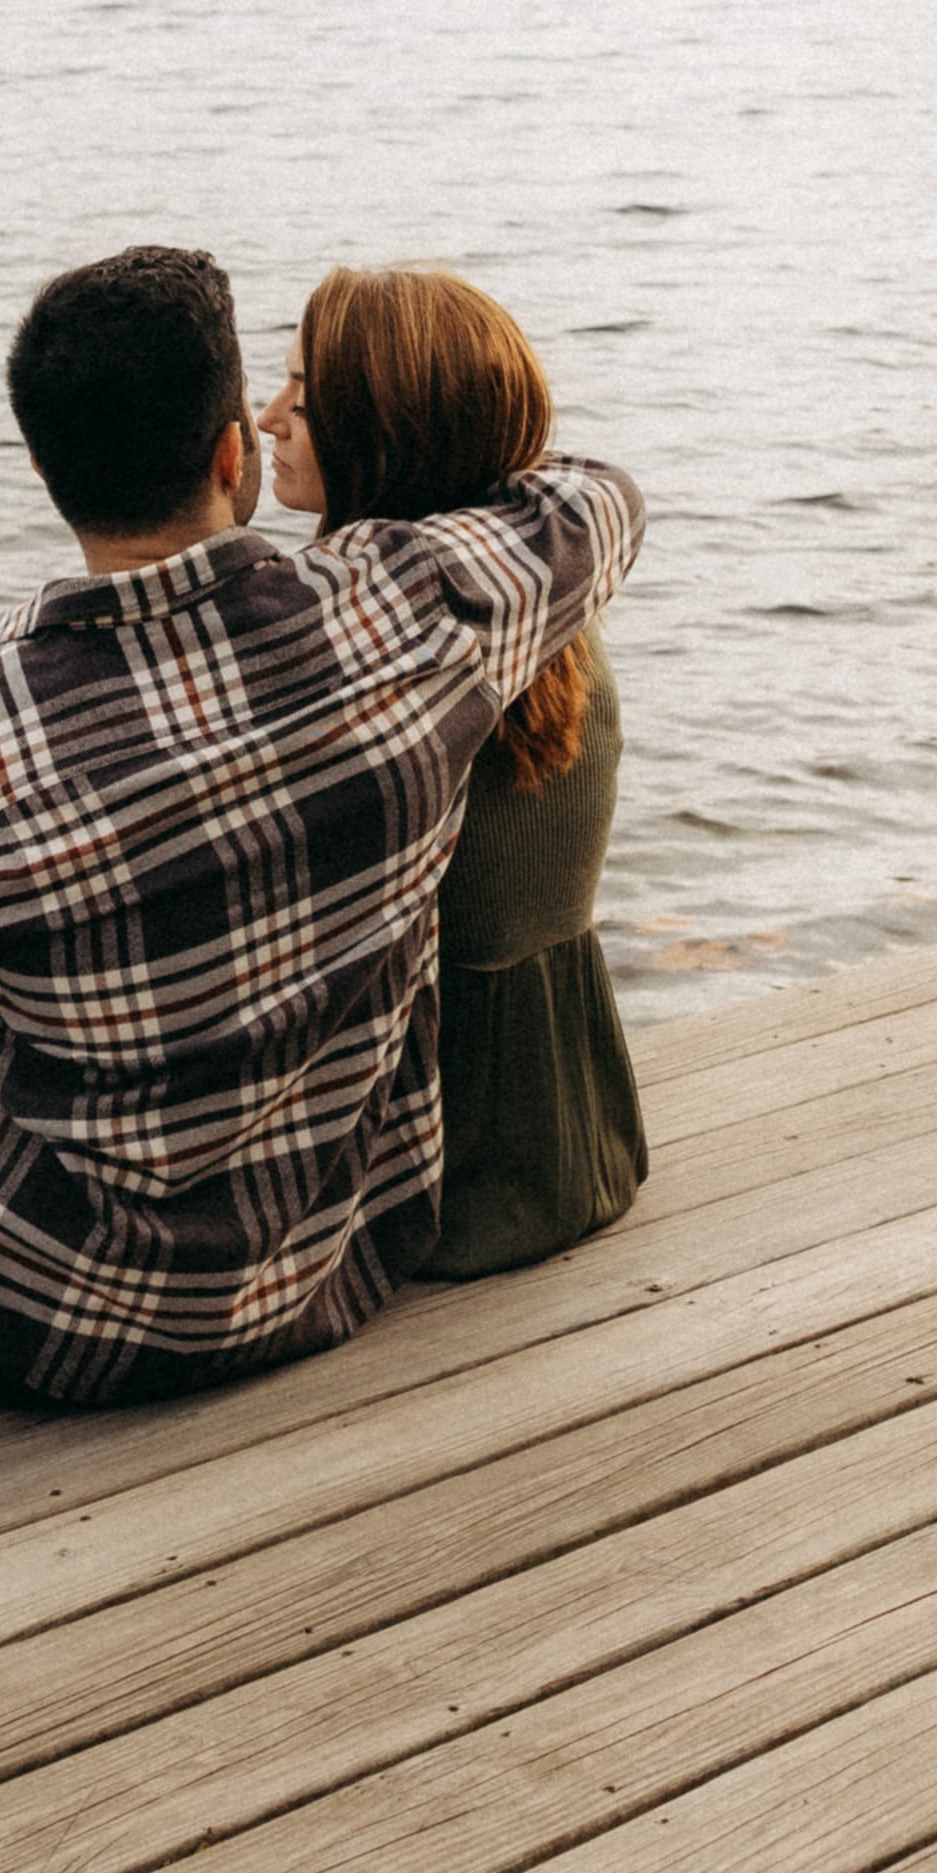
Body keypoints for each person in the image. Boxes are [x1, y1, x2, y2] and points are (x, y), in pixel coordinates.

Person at [0, 238, 641, 1408]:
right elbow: (598, 496)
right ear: (230, 454)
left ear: (45, 467)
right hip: (338, 1264)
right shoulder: (399, 623)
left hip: (48, 1315)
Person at [260, 265, 648, 1278]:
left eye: (300, 398)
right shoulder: (530, 596)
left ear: (378, 430)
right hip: (569, 1130)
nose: (266, 420)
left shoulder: (376, 639)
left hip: (444, 1167)